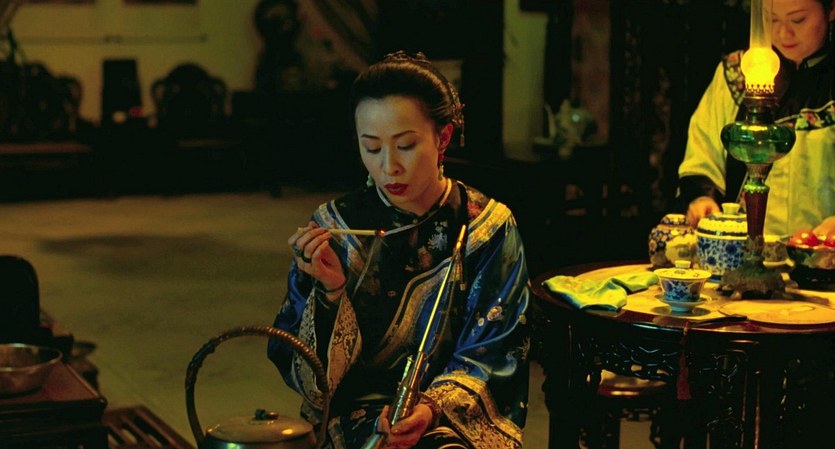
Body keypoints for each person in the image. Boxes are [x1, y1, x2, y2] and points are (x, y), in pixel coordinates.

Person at [268, 51, 531, 449]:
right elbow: (314, 383)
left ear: (443, 138)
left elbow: (496, 348)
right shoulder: (334, 227)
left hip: (449, 417)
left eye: (405, 145)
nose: (389, 167)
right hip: (353, 414)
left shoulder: (485, 226)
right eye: (372, 149)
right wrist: (330, 291)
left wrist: (429, 408)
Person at [677, 0, 835, 237]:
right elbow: (703, 150)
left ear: (831, 9)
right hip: (740, 244)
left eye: (798, 20)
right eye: (771, 19)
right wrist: (702, 198)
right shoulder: (738, 73)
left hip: (821, 248)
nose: (783, 33)